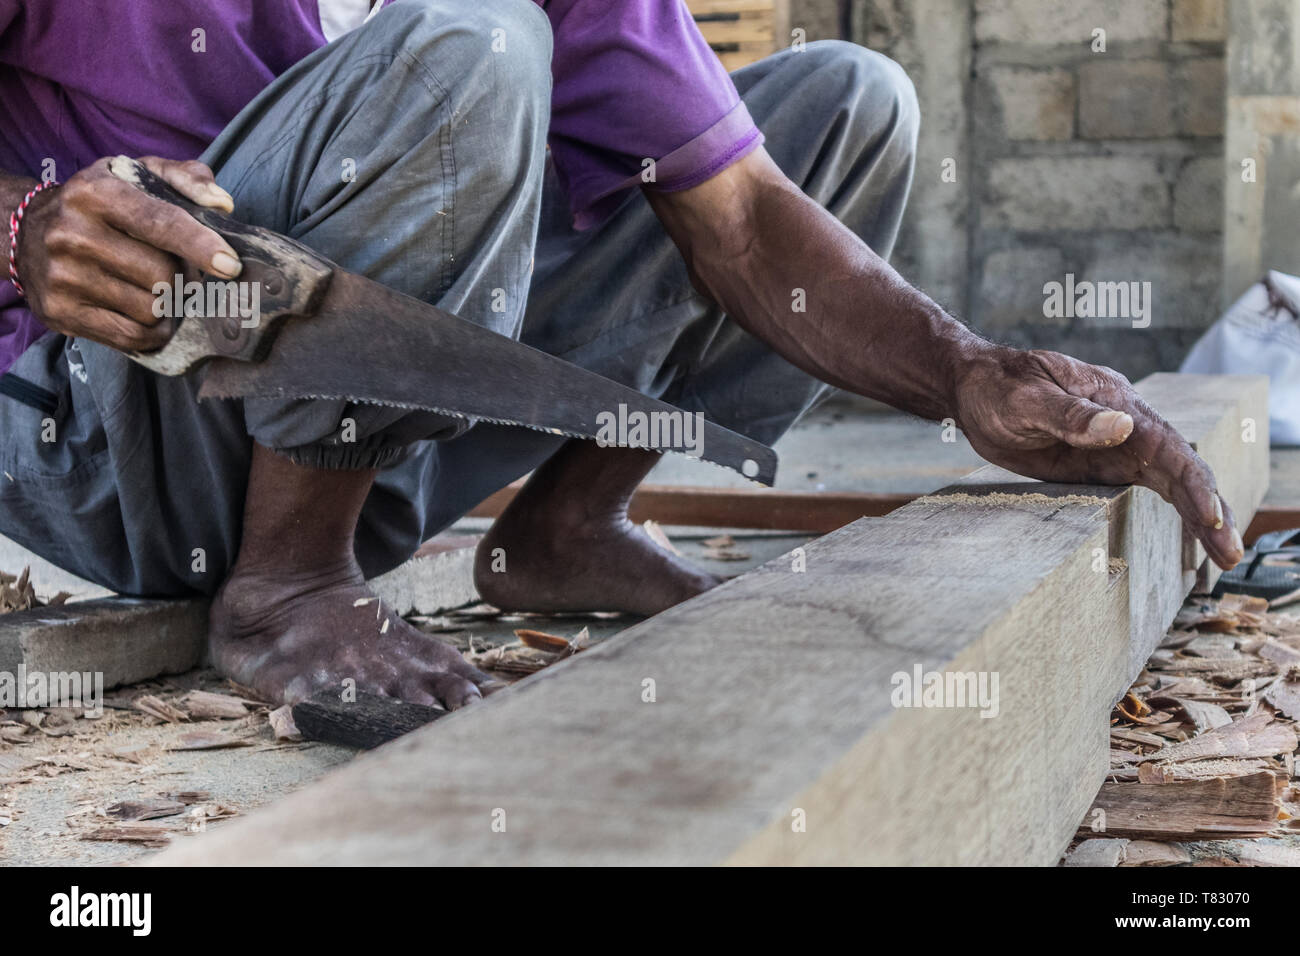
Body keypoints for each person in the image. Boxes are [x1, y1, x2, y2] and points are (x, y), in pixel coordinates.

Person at [0, 0, 1242, 708]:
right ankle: (287, 586)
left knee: (845, 106)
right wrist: (22, 224)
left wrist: (965, 370)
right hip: (118, 429)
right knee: (472, 44)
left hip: (377, 428)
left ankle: (562, 531)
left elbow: (746, 220)